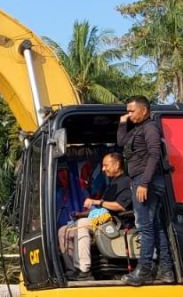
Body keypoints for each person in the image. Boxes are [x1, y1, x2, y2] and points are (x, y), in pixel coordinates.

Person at [116, 96, 174, 285]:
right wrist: (123, 123)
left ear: (144, 110)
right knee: (155, 226)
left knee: (145, 227)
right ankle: (166, 270)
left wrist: (144, 183)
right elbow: (122, 142)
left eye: (132, 111)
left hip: (145, 180)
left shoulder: (150, 128)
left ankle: (143, 271)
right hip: (143, 180)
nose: (129, 114)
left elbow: (155, 154)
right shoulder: (137, 129)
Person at [57, 152, 131, 280]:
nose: (103, 169)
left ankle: (84, 269)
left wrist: (96, 201)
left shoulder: (126, 182)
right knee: (63, 231)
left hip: (115, 222)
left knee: (81, 226)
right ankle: (72, 270)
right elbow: (103, 208)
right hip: (101, 220)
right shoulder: (112, 184)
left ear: (117, 165)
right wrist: (82, 214)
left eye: (105, 165)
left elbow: (121, 206)